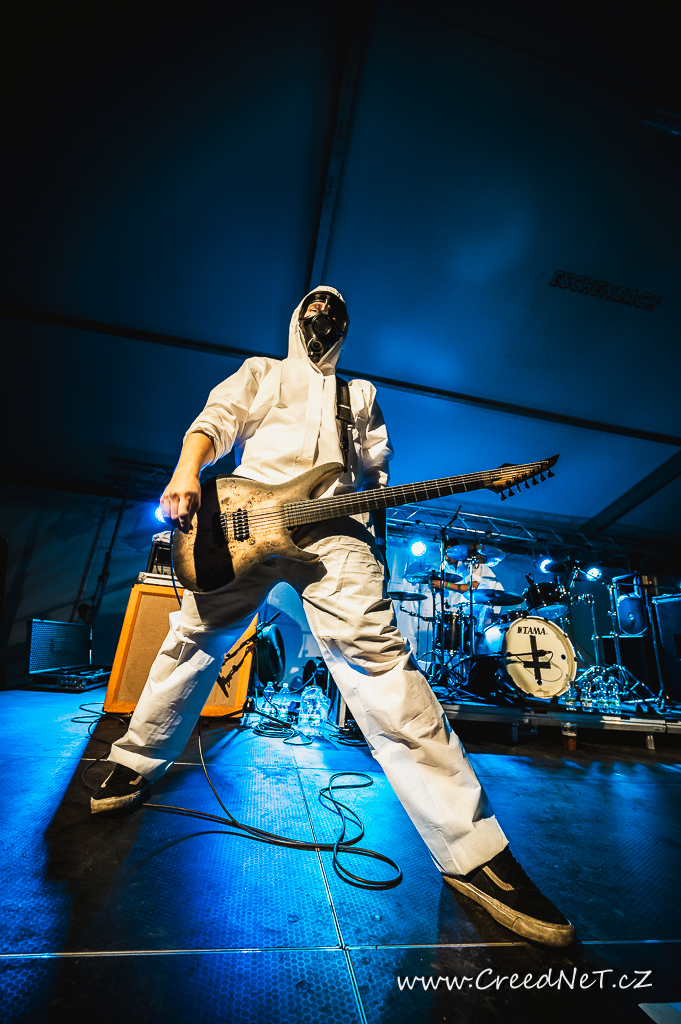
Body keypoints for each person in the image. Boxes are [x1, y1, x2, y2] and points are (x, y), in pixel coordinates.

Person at [91, 286, 575, 948]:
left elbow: (376, 476)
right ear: (297, 320)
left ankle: (474, 851)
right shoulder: (263, 372)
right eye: (314, 314)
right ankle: (136, 758)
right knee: (192, 637)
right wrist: (184, 475)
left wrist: (374, 529)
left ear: (345, 330)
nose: (323, 325)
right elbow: (214, 421)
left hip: (336, 530)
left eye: (335, 318)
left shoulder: (361, 395)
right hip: (239, 518)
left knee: (380, 662)